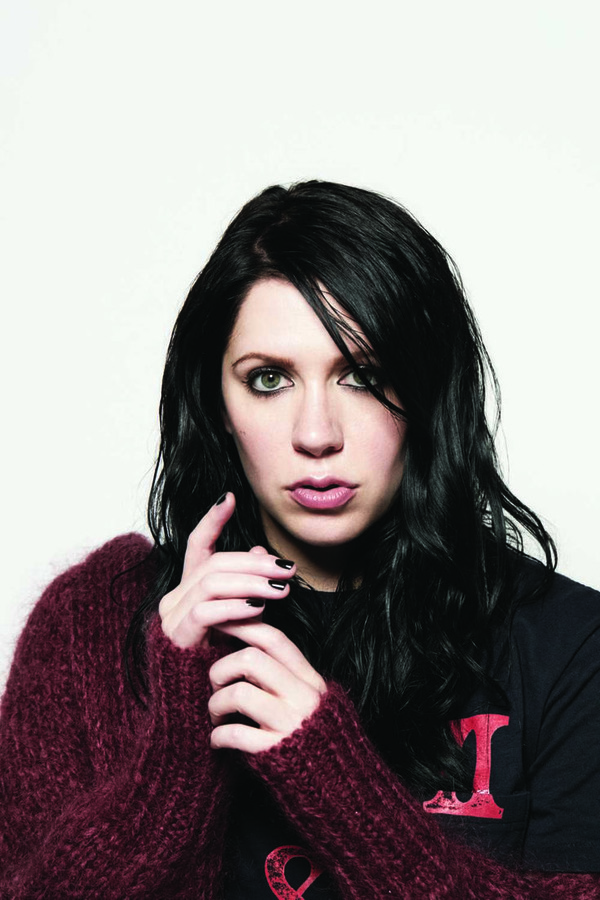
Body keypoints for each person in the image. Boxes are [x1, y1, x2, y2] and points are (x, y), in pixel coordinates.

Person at [0, 181, 599, 899]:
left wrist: (340, 788)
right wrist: (177, 741)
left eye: (363, 376)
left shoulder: (569, 644)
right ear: (217, 403)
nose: (317, 434)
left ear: (428, 393)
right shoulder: (93, 626)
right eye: (268, 379)